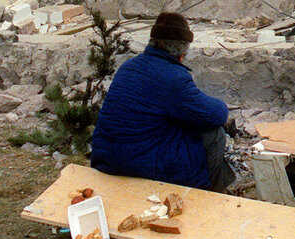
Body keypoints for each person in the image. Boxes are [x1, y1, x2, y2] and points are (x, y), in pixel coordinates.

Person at [90, 11, 235, 192]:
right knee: (214, 133)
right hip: (134, 165)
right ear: (182, 52)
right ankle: (209, 197)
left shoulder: (129, 66)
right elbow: (217, 114)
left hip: (106, 159)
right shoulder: (173, 77)